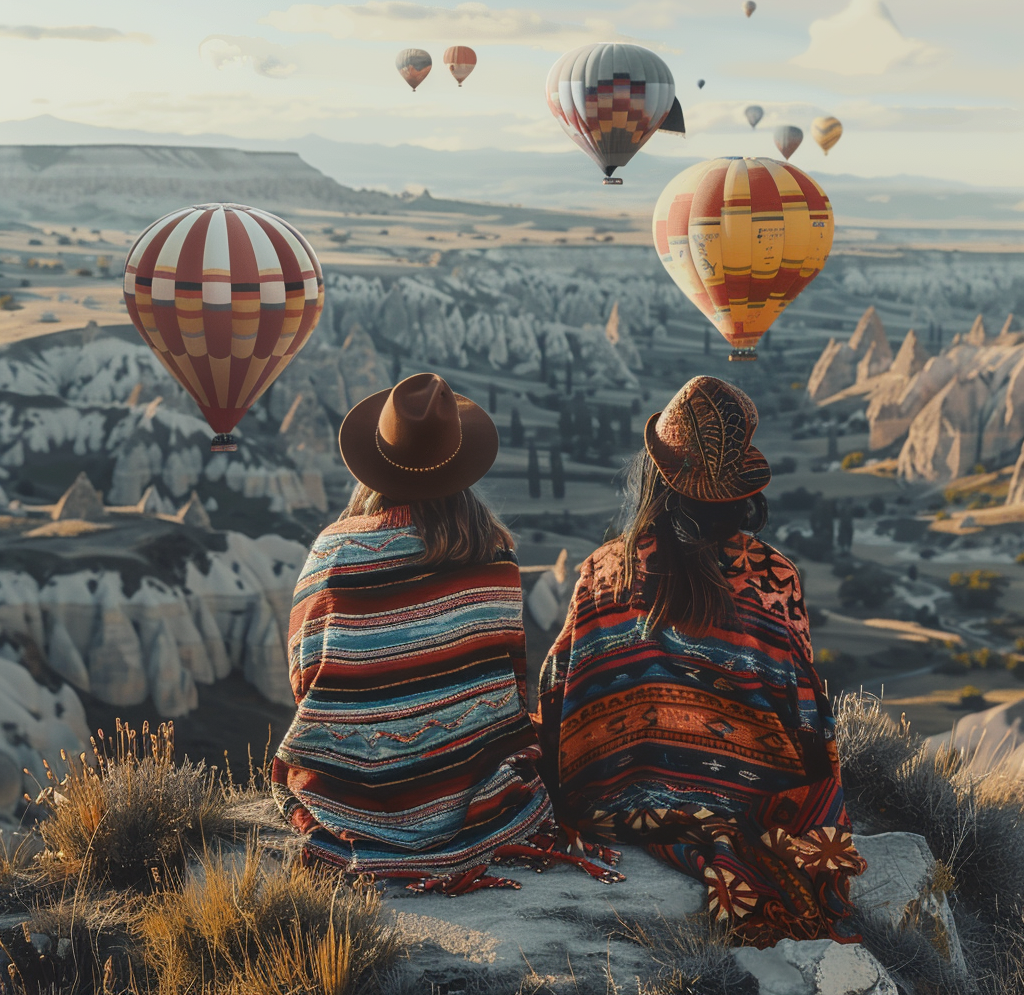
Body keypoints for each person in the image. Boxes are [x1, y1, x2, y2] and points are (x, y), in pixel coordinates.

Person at [536, 376, 866, 946]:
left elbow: (559, 693)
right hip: (754, 807)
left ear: (656, 475)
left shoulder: (602, 572)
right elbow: (808, 712)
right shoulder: (773, 577)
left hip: (615, 802)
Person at [272, 373, 621, 894]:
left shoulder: (333, 552)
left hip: (353, 793)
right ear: (460, 466)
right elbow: (505, 678)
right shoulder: (495, 555)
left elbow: (305, 674)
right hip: (476, 790)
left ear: (374, 464)